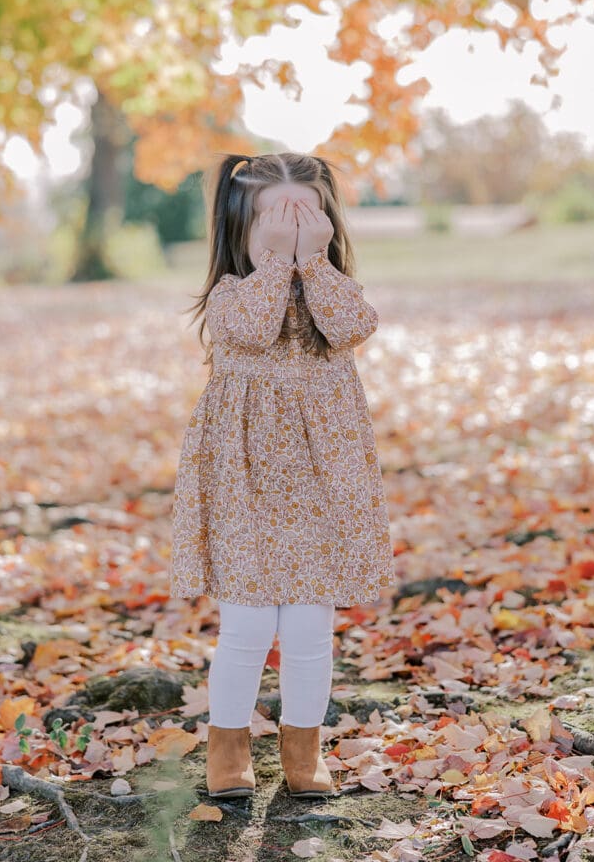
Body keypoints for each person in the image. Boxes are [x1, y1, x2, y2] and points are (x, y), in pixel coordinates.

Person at [170, 152, 397, 799]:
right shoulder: (230, 296)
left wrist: (312, 260)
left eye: (306, 215)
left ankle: (304, 749)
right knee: (246, 624)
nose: (291, 229)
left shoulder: (333, 295)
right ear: (240, 229)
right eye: (275, 218)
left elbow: (354, 324)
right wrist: (275, 259)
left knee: (307, 625)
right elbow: (253, 326)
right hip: (245, 481)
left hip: (321, 480)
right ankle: (228, 748)